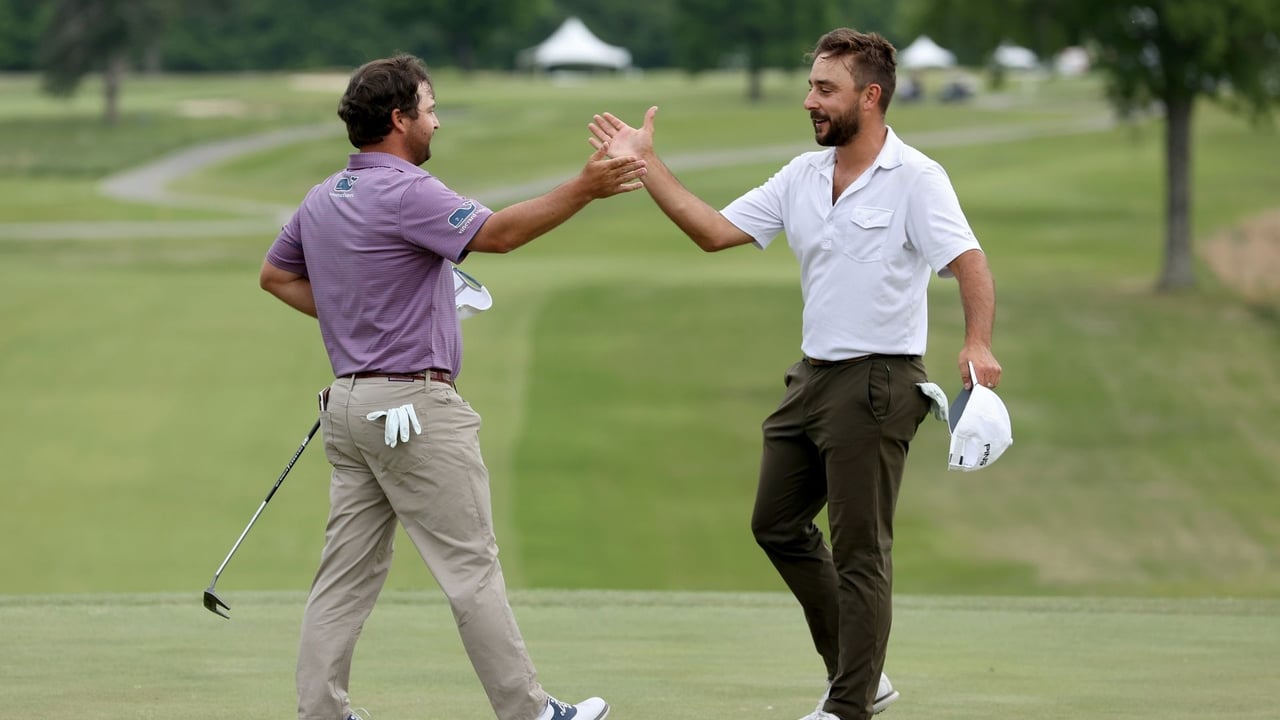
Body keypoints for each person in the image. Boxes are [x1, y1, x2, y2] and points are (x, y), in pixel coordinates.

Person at [588, 28, 1000, 720]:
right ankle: (863, 675)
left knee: (862, 552)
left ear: (869, 97)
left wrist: (978, 343)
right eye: (810, 86)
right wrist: (647, 165)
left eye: (824, 89)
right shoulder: (802, 176)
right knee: (776, 524)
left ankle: (848, 706)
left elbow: (970, 261)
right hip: (811, 380)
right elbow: (713, 232)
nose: (809, 100)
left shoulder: (917, 179)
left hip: (879, 382)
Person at [260, 53, 645, 720]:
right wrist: (585, 187)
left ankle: (321, 713)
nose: (437, 122)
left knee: (343, 577)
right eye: (430, 109)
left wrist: (363, 314)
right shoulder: (408, 190)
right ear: (398, 118)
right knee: (471, 569)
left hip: (349, 408)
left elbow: (276, 275)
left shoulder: (325, 196)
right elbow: (498, 236)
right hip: (411, 408)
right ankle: (529, 714)